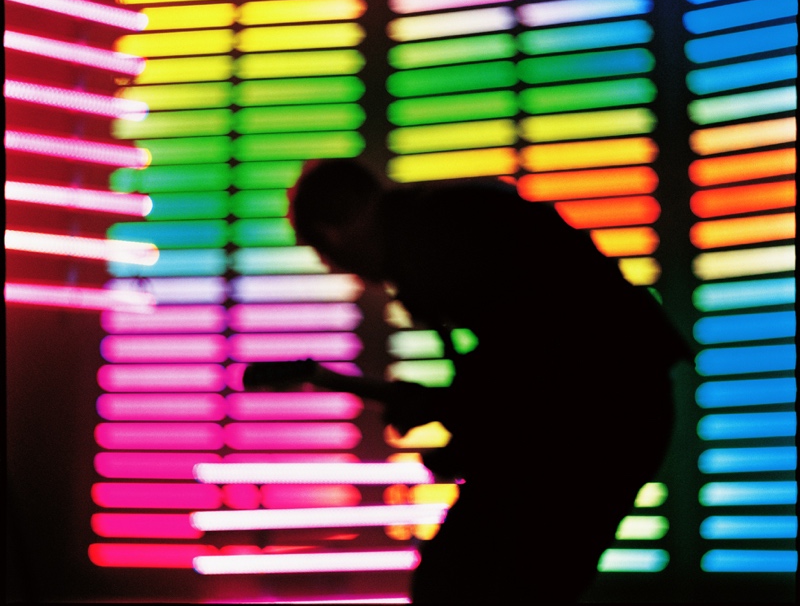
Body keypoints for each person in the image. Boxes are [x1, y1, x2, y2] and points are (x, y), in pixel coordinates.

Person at [245, 158, 691, 603]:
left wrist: (463, 431)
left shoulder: (432, 236)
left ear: (334, 231)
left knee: (468, 582)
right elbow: (523, 363)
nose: (340, 269)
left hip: (601, 418)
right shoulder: (439, 221)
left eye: (327, 254)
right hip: (617, 411)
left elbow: (531, 356)